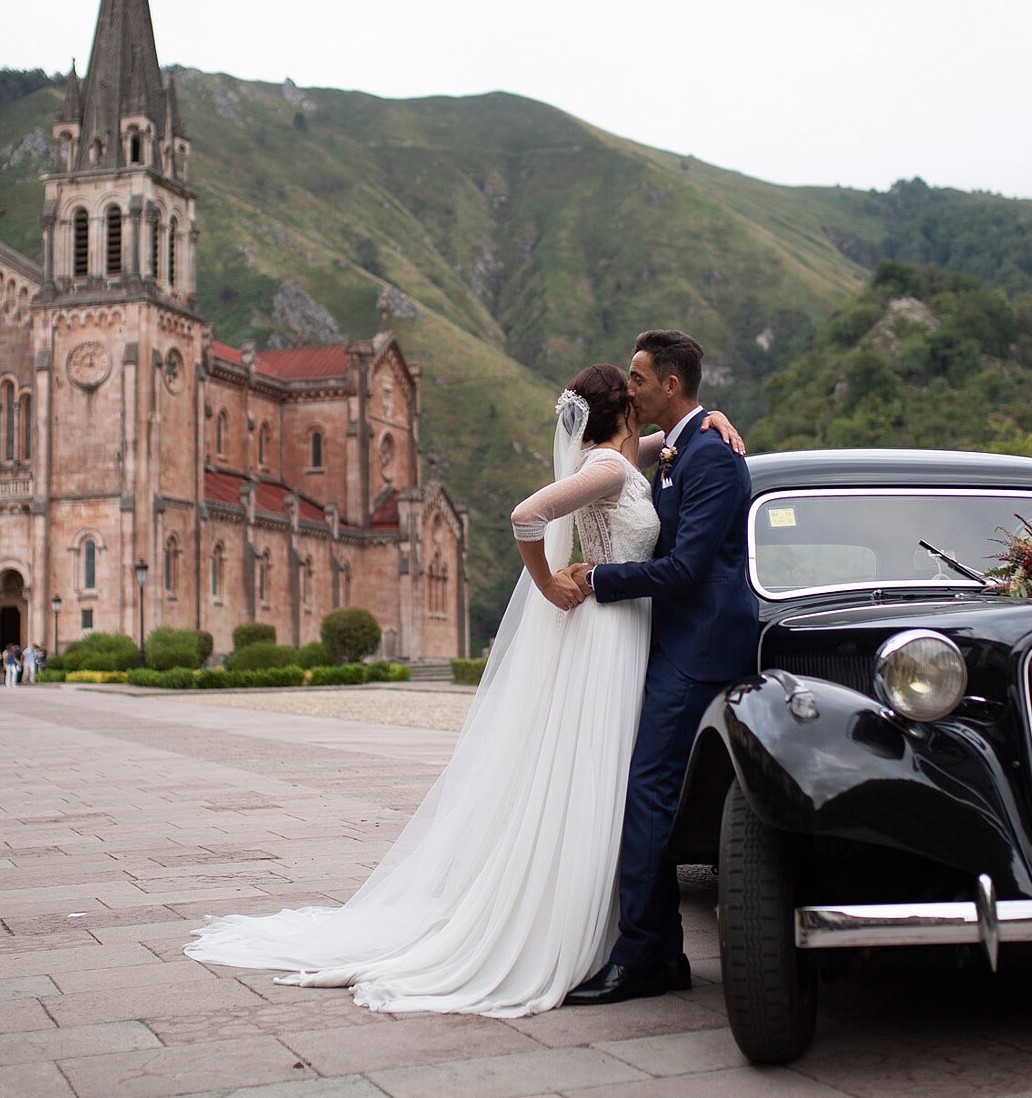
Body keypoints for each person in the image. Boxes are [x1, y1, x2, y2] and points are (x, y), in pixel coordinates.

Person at [184, 362, 741, 1016]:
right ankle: (607, 934)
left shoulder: (625, 455)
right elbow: (525, 515)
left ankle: (635, 937)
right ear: (623, 408)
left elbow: (673, 441)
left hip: (623, 631)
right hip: (608, 628)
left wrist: (712, 419)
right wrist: (548, 582)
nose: (643, 394)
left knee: (605, 777)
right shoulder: (611, 467)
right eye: (634, 387)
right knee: (600, 775)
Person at [562, 329, 759, 1005]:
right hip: (675, 642)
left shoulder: (709, 456)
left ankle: (642, 954)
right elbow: (626, 458)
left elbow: (685, 569)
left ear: (670, 385)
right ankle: (666, 953)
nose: (632, 388)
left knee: (646, 795)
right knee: (644, 794)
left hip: (699, 650)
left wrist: (597, 578)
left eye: (641, 377)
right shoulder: (686, 443)